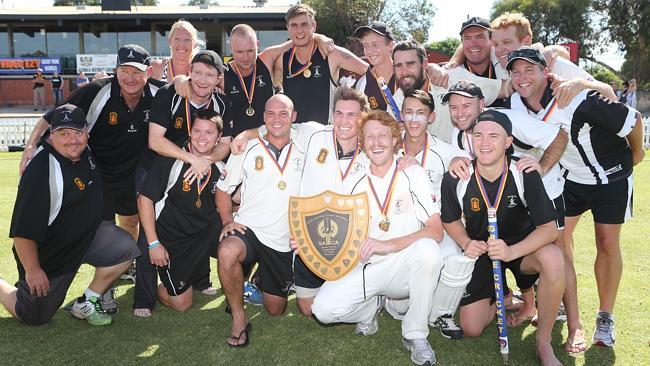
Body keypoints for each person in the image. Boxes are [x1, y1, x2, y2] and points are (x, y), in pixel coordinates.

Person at [506, 46, 645, 348]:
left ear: (546, 72)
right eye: (515, 71)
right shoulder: (516, 103)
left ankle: (605, 316)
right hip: (569, 180)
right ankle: (574, 323)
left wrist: (637, 153)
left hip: (611, 176)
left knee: (607, 243)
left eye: (529, 70)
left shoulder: (573, 96)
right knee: (560, 244)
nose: (522, 77)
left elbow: (632, 119)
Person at [19, 44, 164, 313]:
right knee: (104, 227)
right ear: (115, 70)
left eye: (137, 71)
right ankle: (103, 289)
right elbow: (52, 116)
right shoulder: (96, 91)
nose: (130, 77)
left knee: (131, 220)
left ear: (149, 72)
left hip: (134, 174)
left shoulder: (159, 93)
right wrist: (30, 148)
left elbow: (185, 93)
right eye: (124, 70)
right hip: (100, 174)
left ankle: (123, 267)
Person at [311, 110, 444, 365]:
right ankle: (371, 308)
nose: (376, 143)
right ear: (362, 141)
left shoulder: (412, 173)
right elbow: (337, 230)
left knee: (429, 252)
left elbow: (436, 230)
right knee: (323, 310)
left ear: (395, 139)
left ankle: (415, 334)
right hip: (367, 265)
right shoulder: (352, 180)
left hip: (405, 263)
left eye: (383, 136)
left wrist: (388, 245)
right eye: (369, 137)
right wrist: (310, 243)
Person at [441, 109, 564, 366]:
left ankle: (543, 342)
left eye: (494, 136)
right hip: (483, 251)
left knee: (554, 258)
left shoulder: (523, 172)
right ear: (470, 139)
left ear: (508, 142)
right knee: (471, 328)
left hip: (521, 249)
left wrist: (511, 252)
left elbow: (549, 229)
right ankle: (505, 299)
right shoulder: (457, 176)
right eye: (479, 135)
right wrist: (466, 243)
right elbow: (450, 219)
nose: (485, 142)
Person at [0, 104, 140, 326]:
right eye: (64, 133)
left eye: (78, 132)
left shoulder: (85, 151)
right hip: (53, 251)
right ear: (51, 135)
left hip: (86, 237)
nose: (73, 140)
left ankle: (86, 302)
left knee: (126, 249)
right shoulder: (41, 169)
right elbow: (22, 231)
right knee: (34, 314)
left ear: (87, 132)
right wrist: (33, 270)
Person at [134, 49, 229, 317]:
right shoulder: (170, 94)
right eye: (197, 73)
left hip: (200, 161)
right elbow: (155, 141)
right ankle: (144, 297)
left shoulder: (220, 104)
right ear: (188, 72)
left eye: (209, 75)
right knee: (148, 231)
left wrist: (207, 161)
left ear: (218, 79)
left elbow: (225, 142)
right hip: (162, 162)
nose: (202, 80)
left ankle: (200, 279)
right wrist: (191, 159)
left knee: (202, 213)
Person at [216, 94, 304, 347]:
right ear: (263, 117)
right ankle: (239, 317)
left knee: (275, 310)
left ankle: (258, 279)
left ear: (294, 117)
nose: (277, 119)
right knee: (227, 250)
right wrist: (226, 220)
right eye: (271, 113)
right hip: (250, 229)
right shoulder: (247, 148)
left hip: (284, 239)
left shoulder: (306, 145)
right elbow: (223, 189)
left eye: (283, 113)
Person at [137, 109, 224, 313]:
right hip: (174, 241)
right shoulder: (171, 160)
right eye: (197, 131)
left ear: (219, 137)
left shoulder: (221, 166)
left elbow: (232, 200)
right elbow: (144, 200)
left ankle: (206, 278)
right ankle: (169, 284)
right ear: (190, 132)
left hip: (203, 235)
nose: (202, 138)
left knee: (242, 241)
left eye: (209, 132)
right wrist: (153, 243)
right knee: (182, 304)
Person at [391, 40, 506, 143]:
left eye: (410, 64)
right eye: (398, 65)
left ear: (424, 64)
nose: (404, 71)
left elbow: (504, 89)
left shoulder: (453, 77)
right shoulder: (395, 102)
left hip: (466, 160)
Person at [275, 4, 369, 123]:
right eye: (294, 25)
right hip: (294, 135)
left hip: (324, 134)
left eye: (304, 24)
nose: (299, 30)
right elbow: (268, 85)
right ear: (288, 27)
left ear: (314, 26)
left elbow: (369, 71)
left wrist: (364, 110)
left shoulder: (331, 54)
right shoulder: (283, 60)